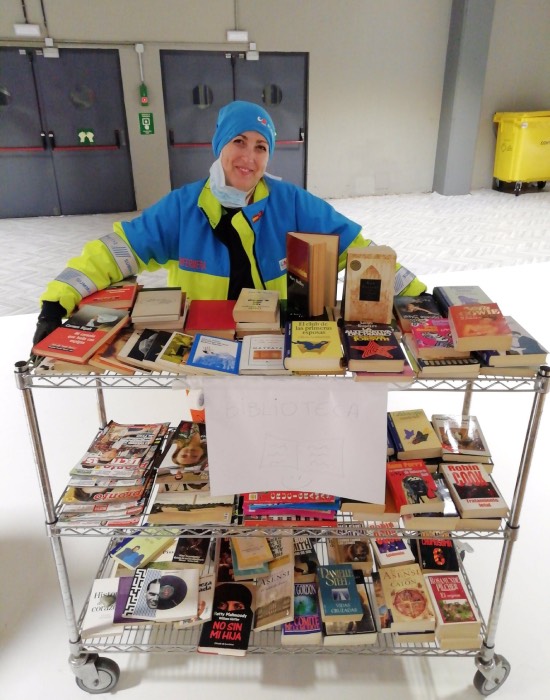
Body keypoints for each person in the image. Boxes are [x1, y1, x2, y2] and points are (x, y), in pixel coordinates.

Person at [32, 100, 426, 346]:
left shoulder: (290, 202)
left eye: (261, 147)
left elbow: (359, 251)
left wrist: (417, 298)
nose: (248, 158)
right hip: (201, 345)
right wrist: (56, 300)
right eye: (239, 141)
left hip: (275, 343)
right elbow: (117, 251)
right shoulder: (183, 207)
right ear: (220, 145)